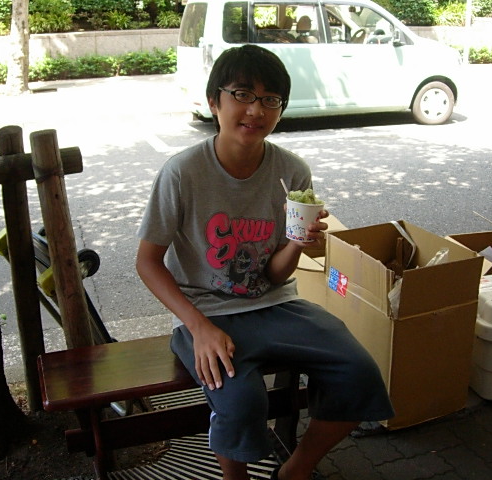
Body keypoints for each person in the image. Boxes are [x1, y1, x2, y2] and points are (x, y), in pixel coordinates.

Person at [136, 44, 394, 480]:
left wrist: (297, 243)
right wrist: (198, 327)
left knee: (359, 373)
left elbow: (275, 274)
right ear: (214, 101)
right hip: (206, 313)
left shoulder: (291, 171)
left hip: (276, 304)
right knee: (241, 402)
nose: (256, 110)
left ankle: (295, 471)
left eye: (270, 99)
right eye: (242, 94)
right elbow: (147, 262)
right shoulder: (182, 172)